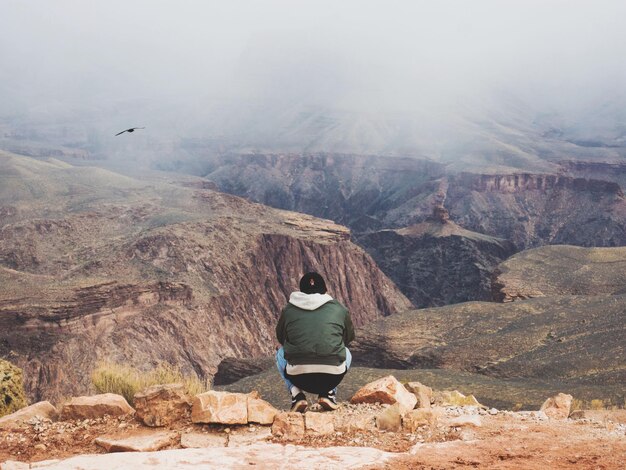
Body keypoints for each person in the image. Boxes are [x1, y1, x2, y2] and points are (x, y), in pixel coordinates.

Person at [275, 272, 355, 412]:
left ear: (301, 291)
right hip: (331, 377)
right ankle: (328, 394)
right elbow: (348, 338)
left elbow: (281, 338)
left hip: (299, 377)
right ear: (324, 290)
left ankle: (297, 396)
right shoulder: (339, 309)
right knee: (346, 351)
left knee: (280, 353)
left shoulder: (288, 310)